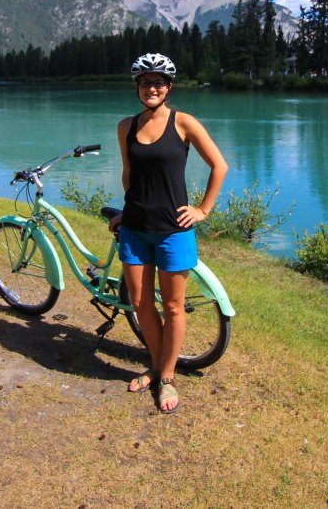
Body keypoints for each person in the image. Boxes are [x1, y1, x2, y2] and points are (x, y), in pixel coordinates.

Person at [108, 52, 228, 413]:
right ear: (137, 88)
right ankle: (156, 366)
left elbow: (219, 165)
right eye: (146, 82)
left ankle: (169, 377)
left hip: (174, 230)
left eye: (159, 82)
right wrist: (124, 213)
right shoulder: (126, 126)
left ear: (169, 87)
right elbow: (129, 175)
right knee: (142, 303)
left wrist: (203, 210)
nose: (152, 88)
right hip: (135, 229)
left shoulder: (184, 123)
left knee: (174, 306)